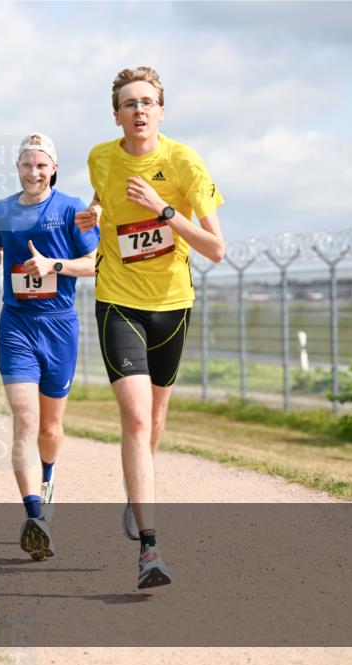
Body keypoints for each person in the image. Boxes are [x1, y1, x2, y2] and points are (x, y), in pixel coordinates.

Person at [76, 67, 225, 589]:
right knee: (136, 421)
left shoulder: (184, 162)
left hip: (172, 306)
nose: (139, 110)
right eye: (128, 103)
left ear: (161, 111)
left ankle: (138, 493)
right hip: (118, 300)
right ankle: (150, 548)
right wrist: (93, 215)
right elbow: (102, 200)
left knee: (156, 421)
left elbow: (216, 249)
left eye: (148, 102)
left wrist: (164, 212)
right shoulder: (100, 157)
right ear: (115, 114)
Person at [0, 133, 99, 561]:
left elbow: (96, 263)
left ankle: (48, 476)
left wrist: (54, 265)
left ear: (53, 168)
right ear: (17, 168)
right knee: (25, 419)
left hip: (59, 326)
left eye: (42, 165)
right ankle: (34, 516)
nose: (34, 171)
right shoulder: (2, 209)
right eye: (27, 164)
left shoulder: (72, 209)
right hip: (16, 324)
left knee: (49, 429)